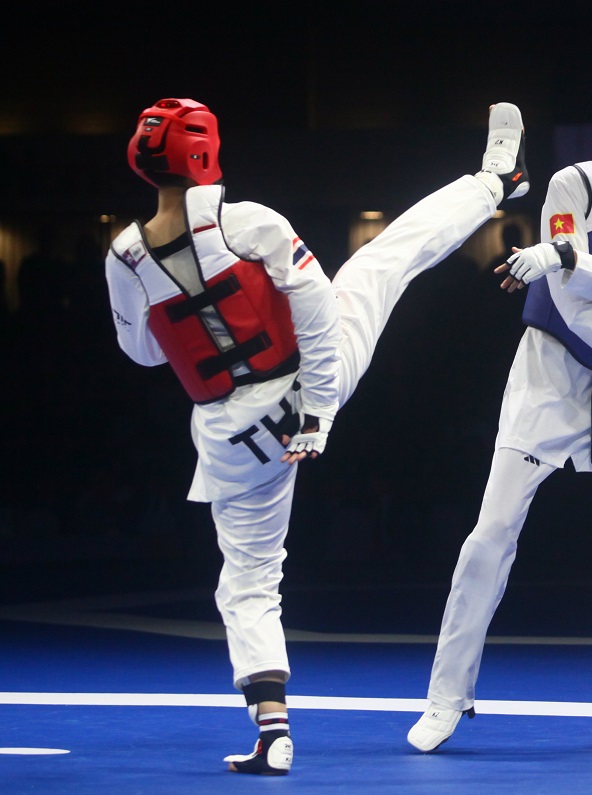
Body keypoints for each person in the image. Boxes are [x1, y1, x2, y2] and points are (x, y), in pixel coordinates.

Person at [104, 97, 529, 775]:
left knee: (246, 580)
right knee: (380, 263)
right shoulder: (247, 223)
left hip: (230, 431)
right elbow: (311, 303)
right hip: (300, 384)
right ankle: (496, 182)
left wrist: (199, 326)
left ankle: (273, 729)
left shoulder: (125, 256)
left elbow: (144, 353)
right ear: (206, 154)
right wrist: (320, 408)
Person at [407, 68, 592, 753]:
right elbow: (573, 308)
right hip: (550, 377)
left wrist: (568, 254)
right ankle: (447, 698)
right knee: (490, 536)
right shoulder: (573, 183)